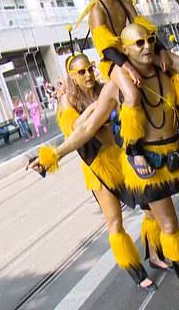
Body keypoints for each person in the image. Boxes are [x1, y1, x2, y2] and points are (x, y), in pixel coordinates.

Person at [31, 24, 179, 306]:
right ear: (124, 50)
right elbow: (87, 127)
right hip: (148, 166)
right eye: (138, 43)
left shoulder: (167, 71)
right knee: (170, 227)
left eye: (150, 40)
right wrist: (54, 154)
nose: (146, 47)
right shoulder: (117, 86)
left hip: (178, 154)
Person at [54, 52, 166, 290]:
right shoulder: (67, 102)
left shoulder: (104, 88)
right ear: (72, 76)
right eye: (81, 72)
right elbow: (77, 128)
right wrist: (98, 105)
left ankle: (155, 255)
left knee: (150, 206)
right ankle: (136, 273)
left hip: (121, 157)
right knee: (115, 222)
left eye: (90, 69)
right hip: (99, 169)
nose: (88, 75)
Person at [80, 0, 172, 177]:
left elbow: (144, 31)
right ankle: (133, 146)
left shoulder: (126, 3)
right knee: (131, 95)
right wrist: (129, 68)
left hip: (135, 52)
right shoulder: (96, 12)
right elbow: (106, 48)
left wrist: (162, 50)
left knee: (178, 64)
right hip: (113, 62)